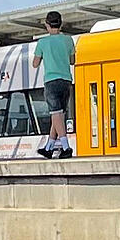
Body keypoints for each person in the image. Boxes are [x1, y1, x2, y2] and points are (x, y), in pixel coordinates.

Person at [30, 10, 76, 158]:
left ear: (47, 25)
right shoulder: (68, 40)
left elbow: (35, 64)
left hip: (51, 81)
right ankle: (49, 148)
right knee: (58, 116)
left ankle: (66, 147)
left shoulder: (42, 42)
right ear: (61, 24)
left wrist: (44, 56)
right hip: (66, 81)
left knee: (55, 114)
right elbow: (72, 61)